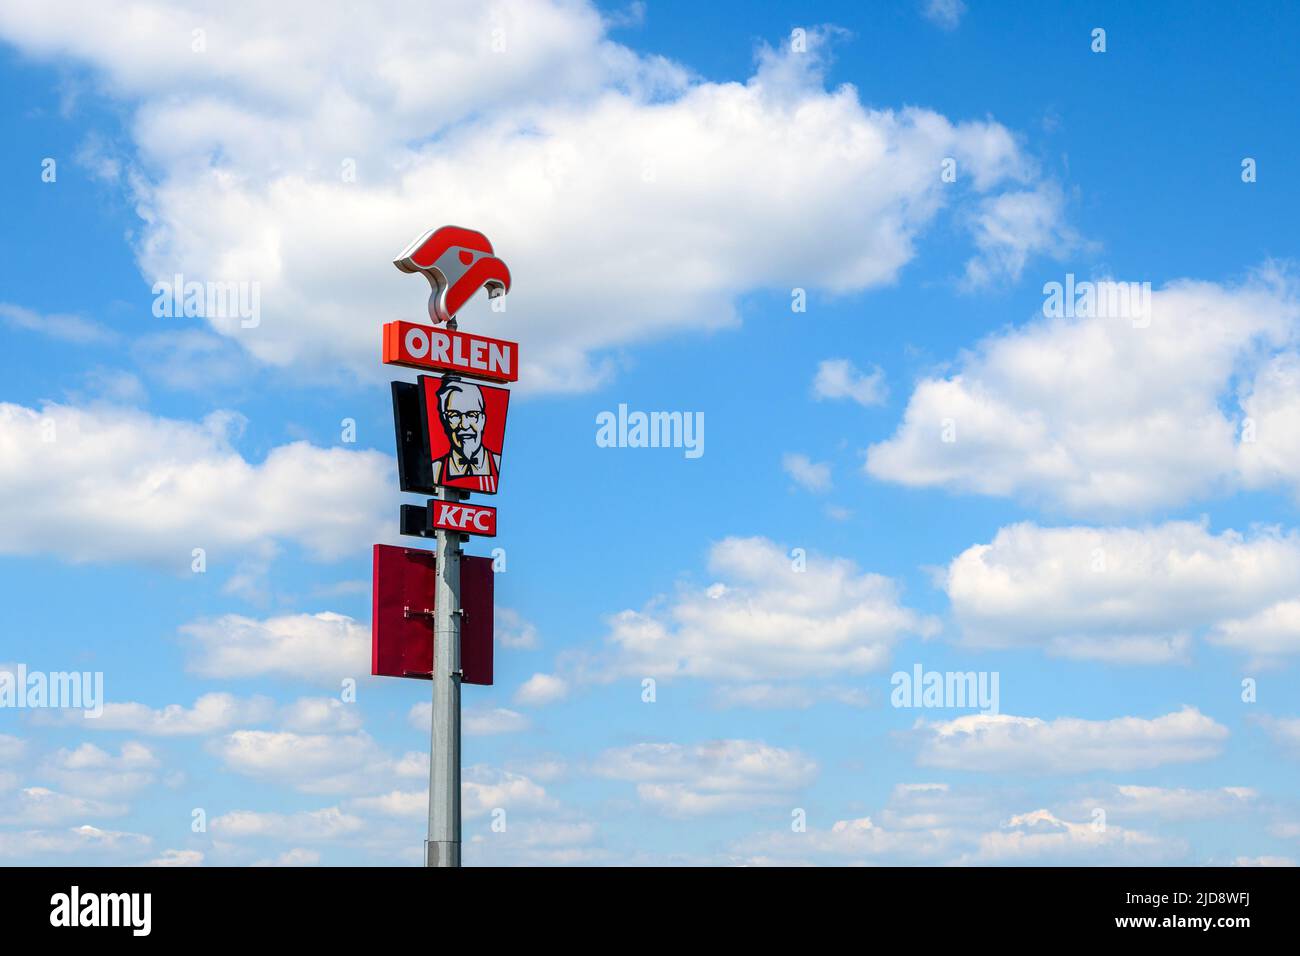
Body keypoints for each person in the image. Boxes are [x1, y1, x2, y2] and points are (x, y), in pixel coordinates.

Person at [431, 378, 501, 492]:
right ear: (445, 420)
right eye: (454, 415)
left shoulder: (496, 464)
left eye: (472, 415)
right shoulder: (435, 470)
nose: (464, 425)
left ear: (483, 419)